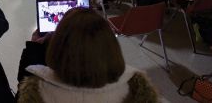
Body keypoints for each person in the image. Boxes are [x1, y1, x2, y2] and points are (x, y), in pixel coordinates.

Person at [17, 7, 158, 103]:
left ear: (55, 49)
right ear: (110, 46)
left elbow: (21, 92)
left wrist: (34, 48)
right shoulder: (136, 87)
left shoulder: (37, 90)